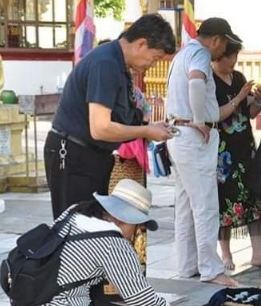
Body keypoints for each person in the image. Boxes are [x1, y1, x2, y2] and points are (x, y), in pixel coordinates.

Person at [11, 180, 196, 306]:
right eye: (138, 226)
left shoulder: (75, 212)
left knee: (105, 297)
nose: (136, 233)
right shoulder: (112, 243)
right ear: (125, 220)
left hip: (24, 304)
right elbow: (145, 303)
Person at [45, 14, 176, 219]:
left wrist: (149, 127)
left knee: (94, 227)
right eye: (156, 58)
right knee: (76, 229)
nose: (153, 65)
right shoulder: (105, 63)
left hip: (94, 157)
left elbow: (120, 118)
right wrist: (146, 130)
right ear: (142, 44)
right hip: (73, 154)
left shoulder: (120, 66)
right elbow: (101, 128)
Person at [165, 17, 242, 286]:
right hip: (193, 134)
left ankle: (188, 265)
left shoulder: (183, 53)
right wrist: (199, 119)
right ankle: (211, 268)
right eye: (225, 45)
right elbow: (196, 82)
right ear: (217, 40)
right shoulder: (199, 54)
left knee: (186, 205)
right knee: (205, 205)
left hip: (179, 133)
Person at [211, 39, 261, 270]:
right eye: (229, 57)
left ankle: (258, 253)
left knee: (255, 196)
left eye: (235, 58)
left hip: (245, 146)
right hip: (223, 151)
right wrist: (239, 97)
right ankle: (226, 254)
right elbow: (215, 115)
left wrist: (257, 98)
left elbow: (250, 113)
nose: (233, 62)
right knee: (225, 199)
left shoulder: (238, 77)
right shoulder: (208, 81)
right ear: (218, 55)